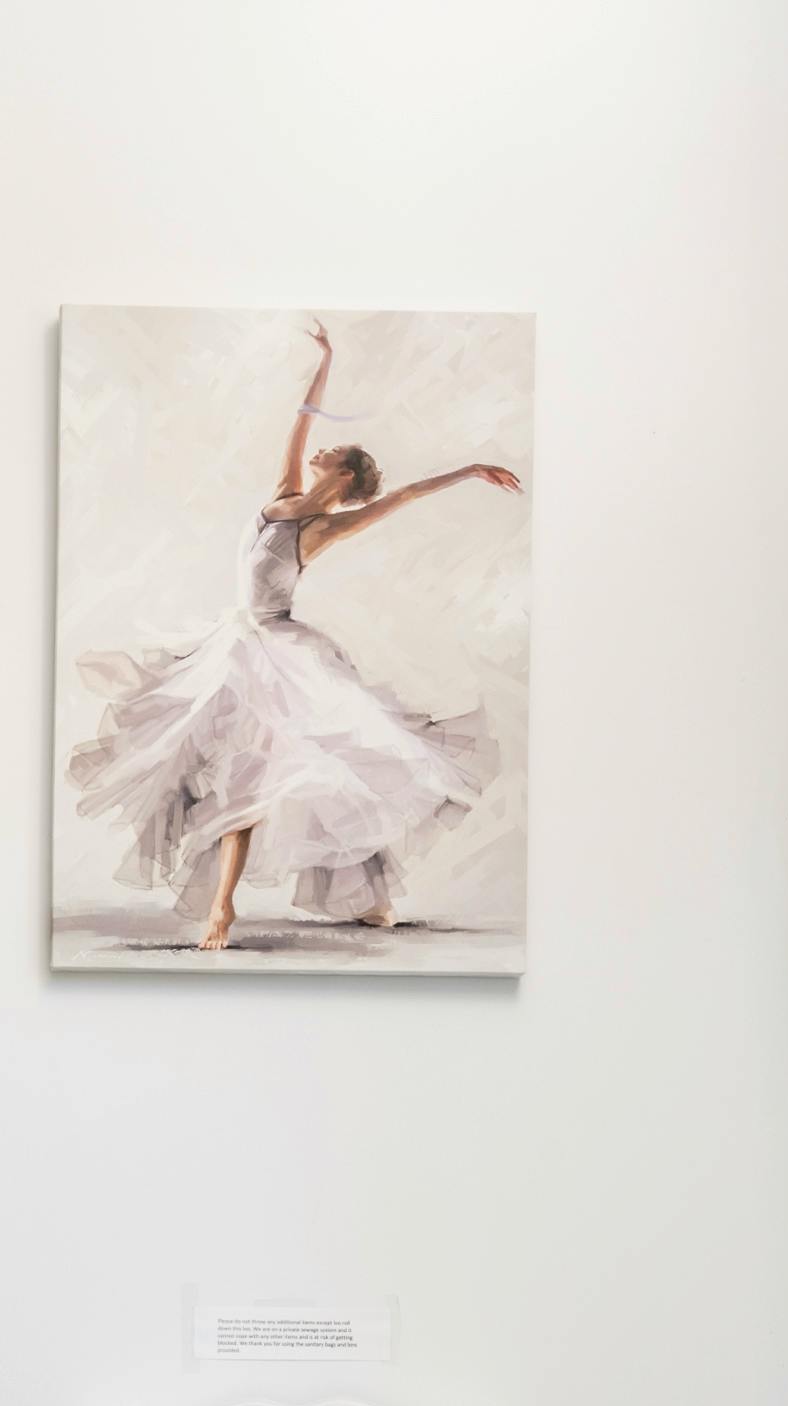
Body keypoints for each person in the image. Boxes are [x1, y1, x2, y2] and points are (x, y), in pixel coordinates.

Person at [69, 320, 518, 951]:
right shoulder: (284, 496)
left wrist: (470, 469)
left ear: (347, 474)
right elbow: (300, 421)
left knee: (285, 770)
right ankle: (357, 902)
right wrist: (326, 360)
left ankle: (228, 910)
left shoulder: (328, 529)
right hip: (235, 646)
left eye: (331, 455)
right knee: (242, 771)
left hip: (278, 656)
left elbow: (408, 494)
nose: (318, 452)